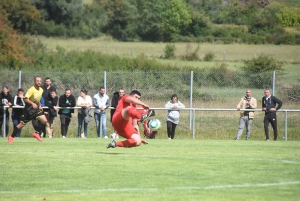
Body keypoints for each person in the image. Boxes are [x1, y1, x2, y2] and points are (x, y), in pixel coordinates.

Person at [8, 76, 47, 144]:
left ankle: (37, 133)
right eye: (37, 81)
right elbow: (25, 99)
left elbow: (38, 99)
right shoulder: (31, 89)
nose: (39, 82)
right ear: (34, 81)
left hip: (35, 109)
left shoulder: (41, 90)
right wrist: (32, 103)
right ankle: (11, 136)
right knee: (21, 125)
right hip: (28, 110)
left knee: (44, 120)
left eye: (40, 81)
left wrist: (40, 106)